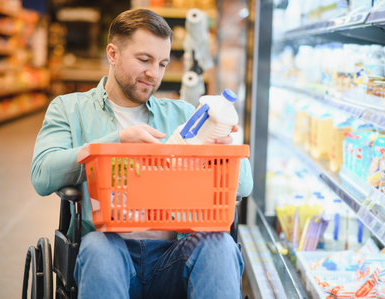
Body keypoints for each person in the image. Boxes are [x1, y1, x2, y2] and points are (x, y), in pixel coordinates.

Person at [31, 8, 253, 299]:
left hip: (175, 255)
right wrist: (115, 143)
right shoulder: (69, 109)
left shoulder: (184, 115)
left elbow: (244, 186)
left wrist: (223, 151)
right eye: (144, 60)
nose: (154, 73)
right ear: (112, 54)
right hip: (109, 250)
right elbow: (42, 174)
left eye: (162, 63)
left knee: (220, 245)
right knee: (99, 247)